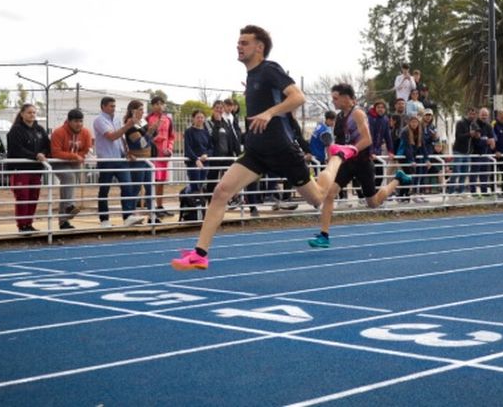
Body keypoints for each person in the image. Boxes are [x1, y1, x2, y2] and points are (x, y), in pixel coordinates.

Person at [172, 25, 355, 270]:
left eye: (244, 42)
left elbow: (298, 97)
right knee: (221, 192)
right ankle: (200, 254)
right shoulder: (252, 77)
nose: (238, 46)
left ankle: (338, 155)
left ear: (259, 47)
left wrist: (269, 113)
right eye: (238, 42)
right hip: (256, 151)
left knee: (317, 197)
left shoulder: (269, 69)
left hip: (281, 149)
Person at [307, 84, 414, 247]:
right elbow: (340, 142)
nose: (333, 101)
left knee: (373, 203)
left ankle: (398, 179)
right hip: (346, 163)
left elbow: (367, 139)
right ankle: (324, 235)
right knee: (330, 193)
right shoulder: (339, 118)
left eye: (335, 98)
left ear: (346, 98)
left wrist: (351, 150)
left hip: (362, 163)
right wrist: (334, 157)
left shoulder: (357, 113)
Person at [93, 96, 143, 227]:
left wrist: (127, 152)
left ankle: (128, 216)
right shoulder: (99, 120)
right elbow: (112, 136)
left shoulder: (116, 119)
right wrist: (128, 125)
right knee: (104, 190)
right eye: (111, 106)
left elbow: (121, 138)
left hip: (120, 158)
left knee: (127, 186)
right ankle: (104, 219)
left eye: (114, 106)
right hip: (106, 160)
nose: (113, 108)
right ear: (103, 107)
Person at [7, 104, 50, 232]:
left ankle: (29, 223)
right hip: (20, 169)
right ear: (22, 114)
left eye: (34, 112)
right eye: (29, 112)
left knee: (33, 197)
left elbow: (47, 146)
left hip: (36, 170)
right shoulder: (15, 130)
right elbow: (17, 149)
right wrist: (35, 155)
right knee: (22, 197)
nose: (32, 115)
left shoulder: (40, 130)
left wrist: (42, 154)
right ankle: (22, 225)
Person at [50, 108, 93, 230]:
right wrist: (74, 156)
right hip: (58, 162)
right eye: (75, 121)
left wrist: (78, 157)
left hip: (75, 162)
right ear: (69, 121)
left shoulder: (86, 132)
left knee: (69, 186)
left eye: (81, 121)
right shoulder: (58, 132)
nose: (79, 124)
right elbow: (55, 152)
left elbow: (87, 149)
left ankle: (64, 221)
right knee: (69, 177)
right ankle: (69, 206)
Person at [123, 100, 157, 223]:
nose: (143, 112)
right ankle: (131, 214)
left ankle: (152, 215)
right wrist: (149, 132)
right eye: (140, 109)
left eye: (143, 109)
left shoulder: (143, 122)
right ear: (133, 111)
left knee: (150, 187)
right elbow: (140, 144)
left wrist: (153, 130)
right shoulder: (130, 125)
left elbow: (150, 138)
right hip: (137, 159)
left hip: (147, 159)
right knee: (136, 187)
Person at [146, 96, 176, 217]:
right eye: (156, 104)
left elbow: (171, 137)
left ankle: (159, 206)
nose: (159, 106)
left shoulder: (168, 119)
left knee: (161, 181)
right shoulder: (148, 119)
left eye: (161, 104)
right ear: (152, 106)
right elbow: (146, 137)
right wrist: (157, 138)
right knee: (153, 180)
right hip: (153, 154)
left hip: (164, 155)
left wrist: (169, 148)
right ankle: (151, 207)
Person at [182, 109, 211, 213]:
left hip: (204, 163)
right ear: (193, 119)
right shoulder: (189, 132)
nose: (200, 119)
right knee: (195, 187)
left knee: (200, 186)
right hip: (193, 163)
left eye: (202, 117)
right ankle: (189, 205)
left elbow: (210, 147)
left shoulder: (206, 132)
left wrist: (206, 155)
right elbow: (188, 148)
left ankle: (198, 211)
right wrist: (196, 159)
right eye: (198, 117)